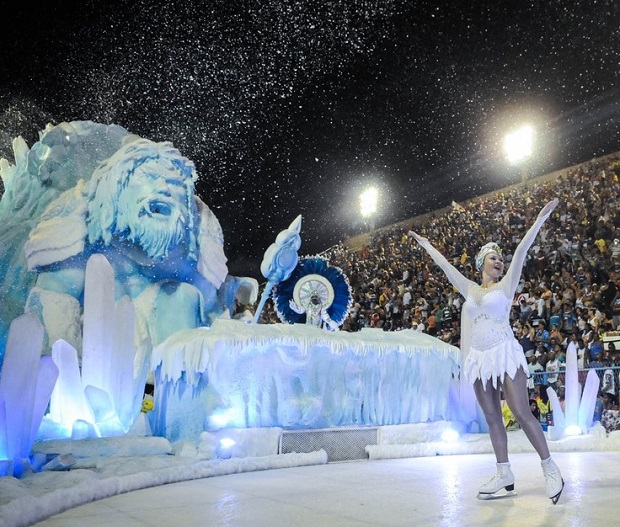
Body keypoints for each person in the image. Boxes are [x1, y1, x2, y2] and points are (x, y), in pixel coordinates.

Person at [413, 198, 564, 504]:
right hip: (479, 359)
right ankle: (503, 472)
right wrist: (427, 244)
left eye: (500, 259)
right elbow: (445, 267)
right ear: (481, 263)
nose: (500, 262)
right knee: (493, 418)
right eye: (493, 258)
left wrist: (539, 220)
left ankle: (551, 469)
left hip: (504, 352)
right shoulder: (470, 288)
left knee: (521, 412)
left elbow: (522, 250)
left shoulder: (507, 285)